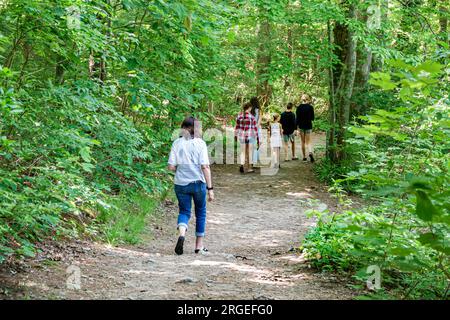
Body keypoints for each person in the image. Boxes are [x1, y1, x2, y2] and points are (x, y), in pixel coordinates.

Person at [168, 116, 214, 256]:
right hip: (198, 183)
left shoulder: (177, 143)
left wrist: (181, 170)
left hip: (181, 184)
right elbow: (205, 167)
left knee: (184, 212)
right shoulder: (200, 144)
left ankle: (182, 234)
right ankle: (198, 246)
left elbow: (171, 167)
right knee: (200, 212)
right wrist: (210, 189)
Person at [235, 102, 259, 174]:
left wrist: (235, 136)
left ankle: (242, 165)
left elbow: (237, 127)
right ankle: (249, 168)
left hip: (242, 136)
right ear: (249, 108)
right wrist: (257, 137)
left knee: (243, 152)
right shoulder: (252, 117)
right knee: (249, 152)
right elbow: (255, 129)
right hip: (250, 136)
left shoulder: (239, 117)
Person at [296, 94, 315, 162]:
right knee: (308, 141)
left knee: (303, 142)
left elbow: (297, 118)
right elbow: (312, 118)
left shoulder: (299, 107)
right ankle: (310, 152)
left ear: (302, 99)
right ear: (308, 99)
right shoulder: (310, 107)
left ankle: (304, 157)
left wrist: (297, 128)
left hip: (301, 126)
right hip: (308, 125)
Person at [250, 96, 261, 167]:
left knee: (252, 144)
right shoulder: (259, 110)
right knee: (258, 144)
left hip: (250, 128)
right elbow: (259, 121)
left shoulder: (249, 110)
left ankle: (252, 161)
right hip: (257, 128)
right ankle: (255, 160)